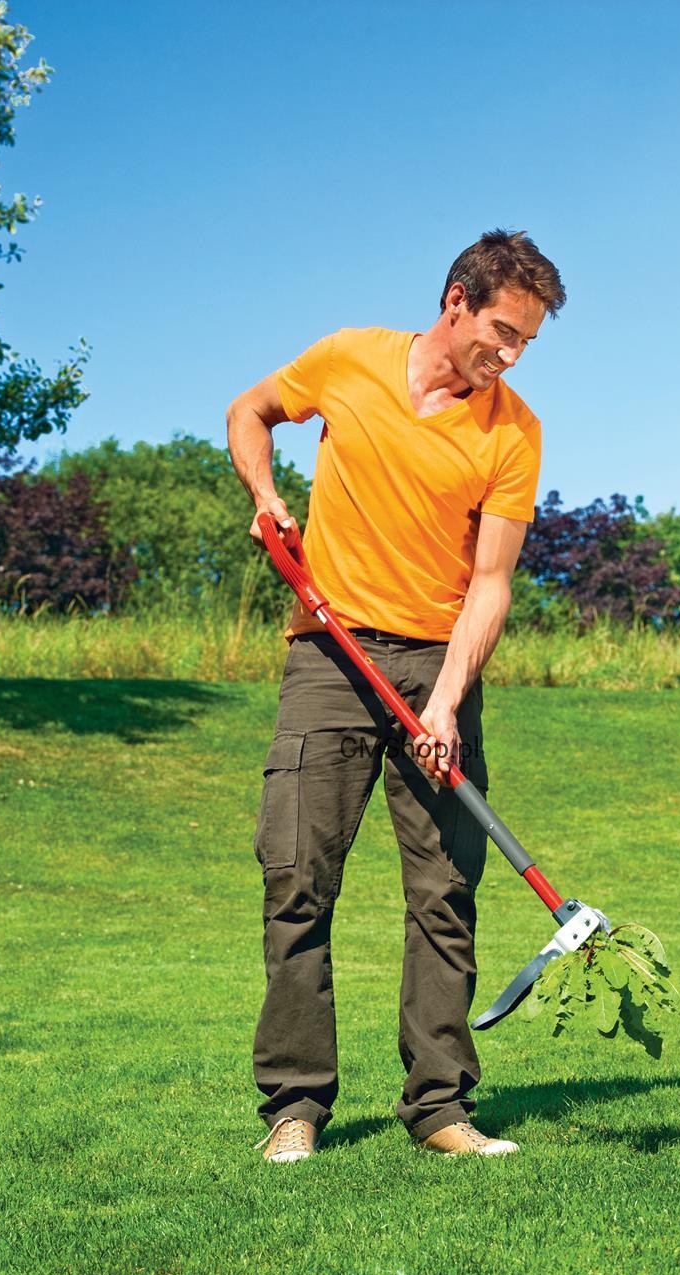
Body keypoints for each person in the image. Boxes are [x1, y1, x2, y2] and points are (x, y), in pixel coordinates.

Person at [226, 229, 565, 1162]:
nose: (512, 354)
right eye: (503, 331)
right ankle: (296, 1106)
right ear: (457, 301)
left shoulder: (515, 431)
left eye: (527, 341)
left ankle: (440, 1107)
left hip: (436, 666)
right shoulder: (349, 359)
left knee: (445, 892)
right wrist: (266, 495)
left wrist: (447, 699)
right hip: (328, 658)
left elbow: (490, 582)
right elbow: (249, 411)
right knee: (297, 879)